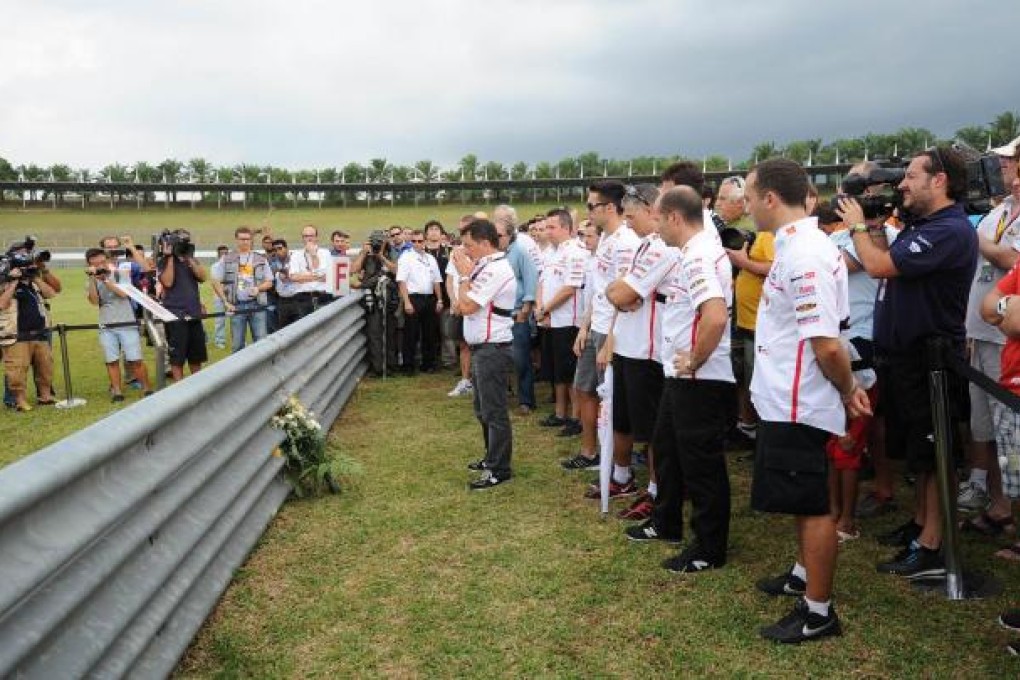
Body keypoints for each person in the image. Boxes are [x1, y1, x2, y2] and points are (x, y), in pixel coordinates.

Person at [746, 159, 868, 643]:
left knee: (813, 502)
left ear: (771, 198)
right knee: (801, 497)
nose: (749, 206)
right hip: (786, 396)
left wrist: (847, 389)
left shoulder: (806, 255)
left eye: (752, 196)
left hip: (799, 399)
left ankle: (818, 611)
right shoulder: (796, 246)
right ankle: (803, 574)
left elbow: (826, 344)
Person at [841, 146, 976, 579]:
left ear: (939, 181)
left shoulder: (949, 230)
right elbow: (887, 257)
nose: (901, 184)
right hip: (906, 356)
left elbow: (878, 266)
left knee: (936, 452)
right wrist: (877, 225)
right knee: (919, 452)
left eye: (911, 176)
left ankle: (935, 544)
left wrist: (858, 225)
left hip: (931, 359)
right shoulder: (926, 225)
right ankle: (921, 523)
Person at [626, 185, 735, 572]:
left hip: (699, 378)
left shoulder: (698, 256)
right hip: (682, 373)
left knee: (700, 462)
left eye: (657, 218)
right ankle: (666, 521)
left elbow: (716, 316)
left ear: (674, 217)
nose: (655, 227)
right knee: (667, 447)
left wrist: (695, 360)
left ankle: (708, 547)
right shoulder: (692, 251)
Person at [959, 138, 1020, 519]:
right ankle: (998, 502)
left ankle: (1009, 509)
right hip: (980, 333)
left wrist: (973, 236)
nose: (1004, 170)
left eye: (1009, 162)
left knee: (1009, 426)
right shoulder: (999, 213)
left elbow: (1010, 258)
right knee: (984, 422)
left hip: (1005, 339)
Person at [561, 182, 640, 476]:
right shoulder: (605, 240)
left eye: (592, 205)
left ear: (609, 208)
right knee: (584, 390)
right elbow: (599, 290)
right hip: (596, 326)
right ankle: (589, 452)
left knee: (610, 399)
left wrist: (609, 340)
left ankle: (618, 463)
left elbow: (625, 295)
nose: (587, 211)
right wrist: (585, 326)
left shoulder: (626, 242)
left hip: (612, 331)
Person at [451, 219, 517, 489]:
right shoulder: (484, 266)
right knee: (482, 408)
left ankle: (500, 468)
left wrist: (465, 277)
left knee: (494, 410)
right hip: (482, 347)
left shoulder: (496, 269)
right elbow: (460, 303)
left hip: (493, 347)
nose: (466, 252)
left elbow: (466, 306)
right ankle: (492, 457)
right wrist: (465, 280)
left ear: (484, 243)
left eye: (469, 246)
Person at [725, 176, 775, 448]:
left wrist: (744, 262)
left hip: (759, 322)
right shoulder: (758, 233)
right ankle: (751, 431)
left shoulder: (768, 236)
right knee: (746, 379)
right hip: (745, 320)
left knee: (759, 382)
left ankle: (763, 439)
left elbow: (775, 268)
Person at [535, 208, 585, 428]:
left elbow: (569, 289)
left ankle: (576, 417)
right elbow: (542, 283)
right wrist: (540, 308)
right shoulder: (549, 253)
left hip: (568, 321)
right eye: (546, 227)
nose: (547, 231)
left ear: (566, 228)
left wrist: (545, 308)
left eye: (552, 227)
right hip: (550, 320)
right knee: (557, 371)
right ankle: (560, 413)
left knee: (570, 371)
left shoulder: (575, 251)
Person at [84, 248, 152, 400]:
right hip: (106, 324)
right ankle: (117, 391)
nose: (100, 265)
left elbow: (124, 294)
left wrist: (106, 280)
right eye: (95, 264)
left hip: (126, 322)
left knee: (135, 359)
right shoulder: (92, 278)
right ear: (89, 265)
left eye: (102, 262)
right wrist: (92, 279)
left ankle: (146, 388)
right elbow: (95, 301)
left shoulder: (120, 272)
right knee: (111, 360)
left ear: (107, 260)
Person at [0, 242, 58, 411]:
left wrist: (36, 277)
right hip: (16, 335)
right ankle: (20, 401)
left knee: (45, 367)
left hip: (39, 333)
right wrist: (13, 281)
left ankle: (45, 396)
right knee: (17, 370)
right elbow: (2, 304)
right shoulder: (4, 283)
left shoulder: (33, 284)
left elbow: (51, 293)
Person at [495, 207, 539, 414]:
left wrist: (526, 307)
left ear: (510, 234)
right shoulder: (495, 254)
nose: (496, 239)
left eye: (499, 236)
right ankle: (502, 396)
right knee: (500, 360)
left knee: (521, 358)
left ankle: (526, 400)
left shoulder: (520, 251)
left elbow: (531, 279)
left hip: (516, 313)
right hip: (498, 314)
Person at [157, 229, 208, 381]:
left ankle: (196, 384)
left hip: (193, 312)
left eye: (187, 240)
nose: (184, 244)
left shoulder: (190, 259)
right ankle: (179, 388)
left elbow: (203, 277)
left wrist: (190, 258)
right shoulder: (164, 261)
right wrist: (171, 257)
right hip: (175, 314)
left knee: (196, 355)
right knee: (177, 356)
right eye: (181, 241)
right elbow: (167, 282)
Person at [213, 226, 274, 353]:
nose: (245, 242)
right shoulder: (227, 259)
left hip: (257, 306)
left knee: (261, 342)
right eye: (242, 239)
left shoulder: (260, 259)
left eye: (247, 239)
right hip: (236, 306)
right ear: (236, 240)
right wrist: (225, 302)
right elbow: (215, 281)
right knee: (237, 345)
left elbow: (270, 281)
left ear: (251, 240)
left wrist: (258, 288)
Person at [352, 230, 398, 376]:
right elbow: (354, 270)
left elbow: (396, 270)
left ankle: (390, 366)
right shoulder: (366, 254)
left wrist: (381, 256)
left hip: (389, 297)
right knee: (374, 333)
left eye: (380, 242)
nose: (377, 245)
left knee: (390, 332)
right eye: (375, 242)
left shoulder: (392, 252)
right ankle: (377, 367)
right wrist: (363, 253)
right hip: (371, 297)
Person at [397, 229, 443, 374]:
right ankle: (408, 365)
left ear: (425, 241)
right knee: (411, 333)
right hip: (413, 298)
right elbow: (402, 281)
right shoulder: (406, 257)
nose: (417, 244)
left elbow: (436, 281)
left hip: (429, 298)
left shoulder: (431, 259)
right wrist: (407, 302)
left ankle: (428, 364)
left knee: (429, 333)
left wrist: (440, 299)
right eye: (414, 241)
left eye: (420, 241)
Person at [284, 224, 332, 325]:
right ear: (302, 238)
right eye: (306, 236)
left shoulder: (325, 253)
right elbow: (293, 277)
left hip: (323, 296)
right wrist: (317, 277)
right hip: (303, 298)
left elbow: (327, 276)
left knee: (326, 328)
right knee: (305, 328)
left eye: (311, 235)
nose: (309, 238)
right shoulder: (296, 255)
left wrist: (314, 255)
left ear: (316, 237)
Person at [210, 245, 229, 349]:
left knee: (236, 319)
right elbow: (215, 281)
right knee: (219, 320)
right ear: (218, 255)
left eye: (226, 253)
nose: (224, 255)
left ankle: (238, 339)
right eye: (222, 253)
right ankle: (219, 340)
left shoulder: (232, 266)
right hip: (219, 297)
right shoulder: (215, 266)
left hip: (231, 297)